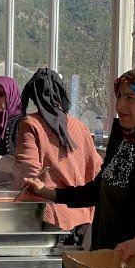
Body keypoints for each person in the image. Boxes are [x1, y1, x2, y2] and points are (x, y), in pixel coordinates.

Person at [24, 68, 135, 259]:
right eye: (120, 96)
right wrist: (48, 193)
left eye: (130, 97)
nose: (120, 105)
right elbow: (98, 191)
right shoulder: (124, 144)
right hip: (109, 258)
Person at [12, 68, 100, 234]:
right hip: (82, 219)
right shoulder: (81, 127)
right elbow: (96, 170)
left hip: (50, 218)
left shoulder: (30, 124)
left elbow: (28, 174)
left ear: (33, 96)